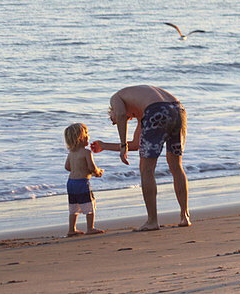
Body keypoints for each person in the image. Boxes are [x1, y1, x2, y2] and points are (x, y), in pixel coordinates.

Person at [92, 85, 191, 230]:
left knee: (146, 169)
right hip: (178, 110)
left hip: (157, 111)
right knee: (176, 166)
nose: (114, 122)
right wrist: (104, 145)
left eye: (111, 119)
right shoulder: (142, 109)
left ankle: (152, 221)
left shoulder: (115, 98)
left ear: (111, 110)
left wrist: (122, 145)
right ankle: (185, 216)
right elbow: (136, 144)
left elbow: (120, 115)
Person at [64, 122, 104, 237]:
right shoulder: (87, 152)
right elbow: (92, 167)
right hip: (82, 183)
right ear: (81, 138)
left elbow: (67, 167)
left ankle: (72, 229)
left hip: (71, 183)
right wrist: (97, 172)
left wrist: (78, 168)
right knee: (89, 205)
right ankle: (90, 228)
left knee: (73, 207)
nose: (89, 135)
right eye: (87, 133)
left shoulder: (71, 153)